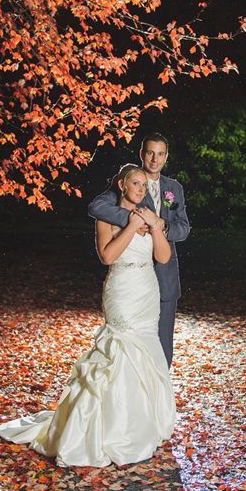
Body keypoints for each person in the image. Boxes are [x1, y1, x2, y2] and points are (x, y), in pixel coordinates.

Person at [0, 165, 176, 467]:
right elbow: (106, 256)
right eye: (135, 184)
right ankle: (107, 429)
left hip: (147, 289)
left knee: (146, 348)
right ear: (122, 185)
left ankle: (143, 423)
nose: (140, 190)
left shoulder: (149, 215)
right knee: (119, 349)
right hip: (122, 289)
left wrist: (155, 226)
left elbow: (163, 257)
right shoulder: (107, 216)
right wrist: (132, 227)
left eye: (144, 186)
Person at [88, 133, 190, 368]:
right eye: (150, 152)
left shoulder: (173, 188)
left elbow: (183, 228)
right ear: (142, 153)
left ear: (166, 157)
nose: (155, 159)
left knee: (162, 344)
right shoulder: (129, 181)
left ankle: (158, 398)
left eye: (161, 153)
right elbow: (97, 207)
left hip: (163, 277)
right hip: (130, 280)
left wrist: (160, 225)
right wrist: (134, 220)